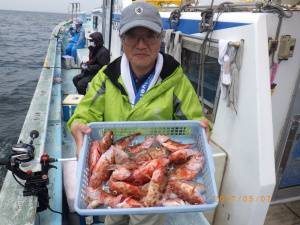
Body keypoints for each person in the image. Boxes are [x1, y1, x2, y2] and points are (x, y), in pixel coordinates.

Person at [68, 2, 210, 225]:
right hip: (114, 173)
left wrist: (201, 127)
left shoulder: (176, 80)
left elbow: (191, 124)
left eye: (150, 35)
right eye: (132, 36)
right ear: (122, 39)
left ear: (160, 38)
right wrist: (78, 126)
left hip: (155, 172)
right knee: (113, 218)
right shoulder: (107, 77)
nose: (141, 44)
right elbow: (85, 114)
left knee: (145, 218)